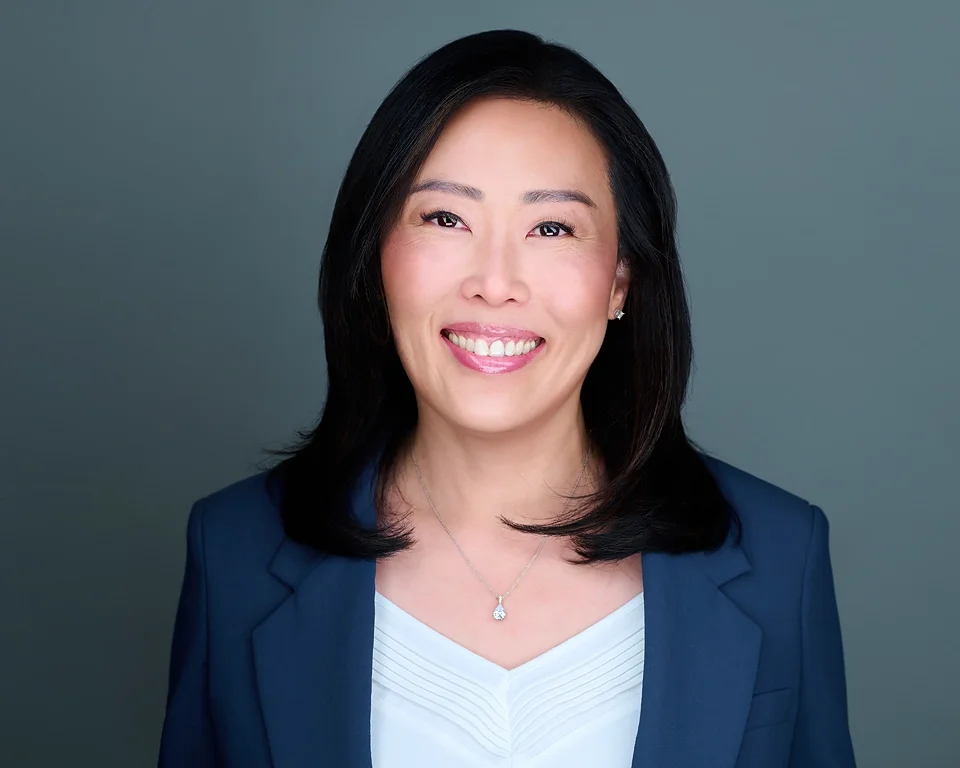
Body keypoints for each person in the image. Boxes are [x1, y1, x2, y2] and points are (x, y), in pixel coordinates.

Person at [158, 29, 856, 768]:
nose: (495, 283)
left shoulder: (779, 556)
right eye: (445, 219)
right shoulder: (235, 551)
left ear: (621, 280)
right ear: (376, 259)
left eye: (552, 227)